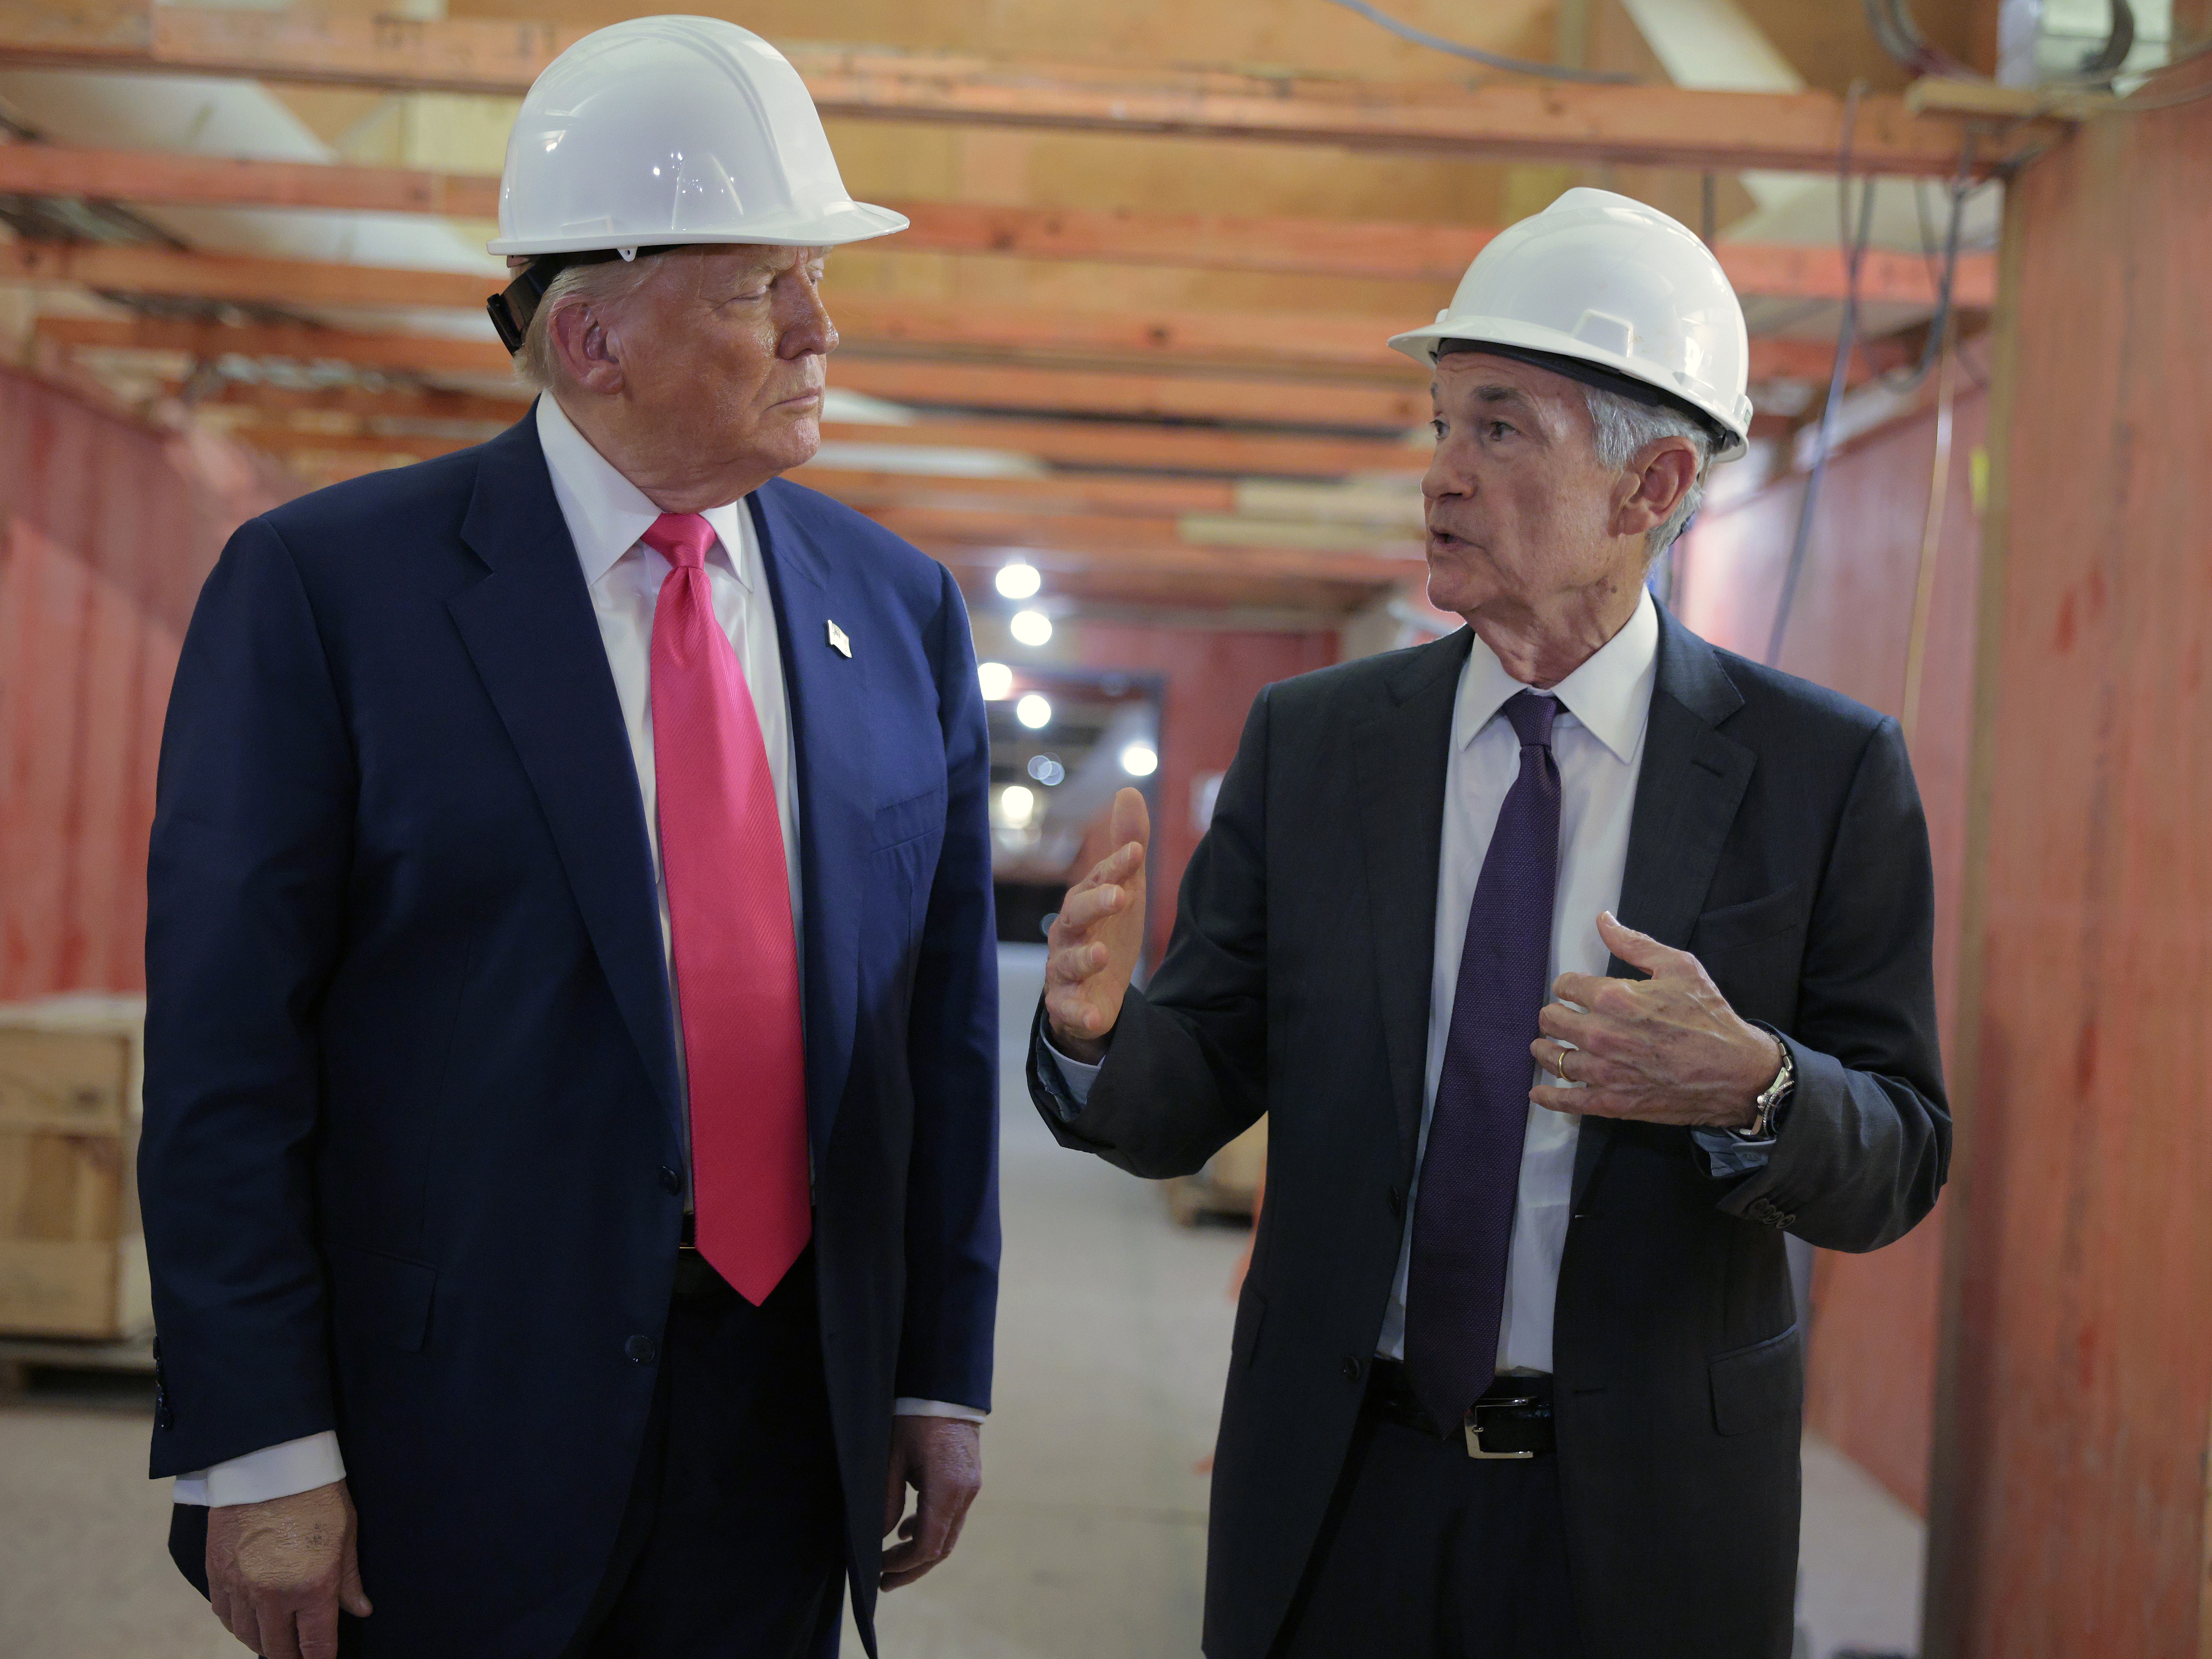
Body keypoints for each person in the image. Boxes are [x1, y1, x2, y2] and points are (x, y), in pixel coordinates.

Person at [139, 19, 999, 1659]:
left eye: (816, 279)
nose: (821, 327)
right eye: (764, 285)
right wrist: (261, 1444)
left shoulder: (896, 611)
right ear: (595, 338)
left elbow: (937, 1035)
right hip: (440, 1438)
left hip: (779, 1425)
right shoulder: (329, 594)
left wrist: (936, 1372)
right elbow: (225, 1058)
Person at [1029, 189, 1949, 1659]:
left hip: (1645, 1522)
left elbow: (1900, 1155)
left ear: (1651, 485)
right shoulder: (1314, 744)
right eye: (1442, 423)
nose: (1441, 474)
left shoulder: (1823, 774)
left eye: (1501, 429)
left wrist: (1757, 1088)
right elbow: (1193, 1084)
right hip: (1340, 1488)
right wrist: (1094, 1036)